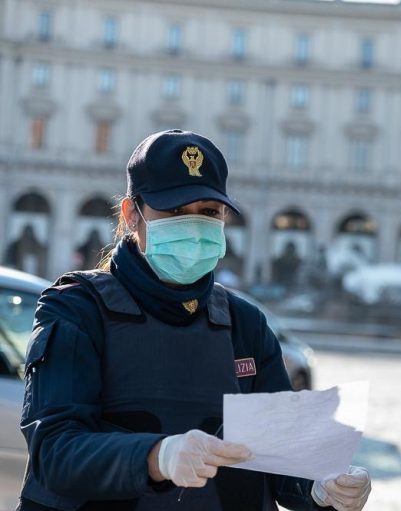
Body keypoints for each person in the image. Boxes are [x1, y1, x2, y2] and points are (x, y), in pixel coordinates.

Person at [18, 129, 372, 511]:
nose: (194, 226)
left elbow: (284, 461)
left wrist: (322, 486)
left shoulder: (244, 323)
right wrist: (158, 456)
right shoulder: (77, 308)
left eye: (208, 212)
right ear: (130, 214)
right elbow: (54, 450)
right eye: (174, 211)